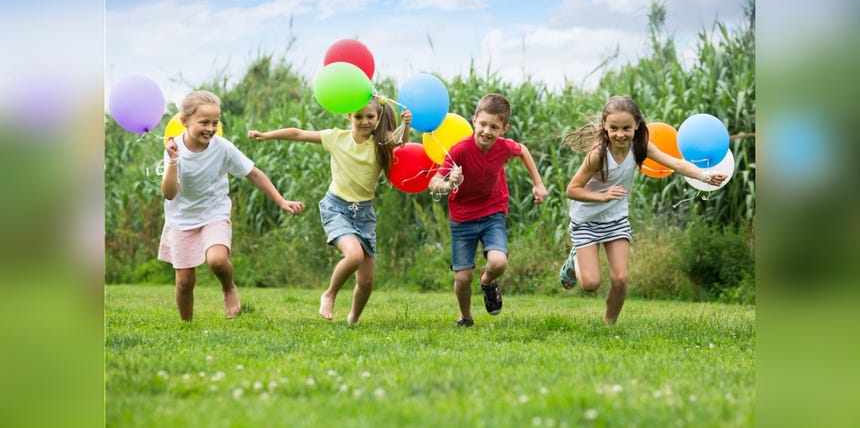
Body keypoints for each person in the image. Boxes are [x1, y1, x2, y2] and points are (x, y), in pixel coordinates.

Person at [560, 95, 727, 324]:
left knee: (620, 278)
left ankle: (609, 326)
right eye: (614, 128)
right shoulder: (598, 155)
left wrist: (704, 175)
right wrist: (603, 195)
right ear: (605, 126)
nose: (620, 134)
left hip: (616, 219)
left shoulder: (640, 146)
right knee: (590, 285)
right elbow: (572, 189)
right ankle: (574, 260)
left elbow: (676, 163)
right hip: (586, 219)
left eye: (627, 128)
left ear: (637, 126)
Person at [248, 97, 411, 325]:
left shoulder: (380, 142)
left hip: (363, 214)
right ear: (348, 116)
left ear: (378, 118)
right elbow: (298, 133)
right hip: (336, 208)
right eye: (358, 116)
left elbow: (399, 141)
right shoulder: (337, 138)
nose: (364, 122)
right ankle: (330, 293)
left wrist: (406, 125)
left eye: (370, 117)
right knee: (353, 256)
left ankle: (353, 318)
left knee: (366, 281)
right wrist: (267, 135)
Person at [159, 90, 305, 321]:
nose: (210, 128)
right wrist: (174, 161)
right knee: (184, 281)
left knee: (217, 260)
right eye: (204, 122)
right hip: (182, 218)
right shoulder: (174, 149)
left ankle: (229, 287)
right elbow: (169, 193)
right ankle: (186, 325)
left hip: (214, 212)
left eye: (215, 123)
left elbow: (253, 173)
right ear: (185, 122)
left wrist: (281, 200)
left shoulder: (222, 147)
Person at [429, 93, 548, 327]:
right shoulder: (459, 150)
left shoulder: (504, 147)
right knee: (462, 277)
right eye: (483, 124)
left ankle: (487, 282)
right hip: (462, 218)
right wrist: (450, 183)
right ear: (474, 120)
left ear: (504, 128)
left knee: (498, 262)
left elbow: (522, 150)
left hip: (492, 212)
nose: (487, 131)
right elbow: (433, 183)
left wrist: (538, 183)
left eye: (494, 127)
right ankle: (465, 316)